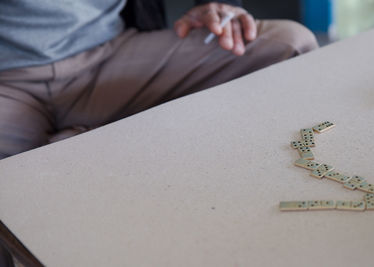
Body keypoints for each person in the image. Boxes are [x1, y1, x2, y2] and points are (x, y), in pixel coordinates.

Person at [0, 0, 318, 264]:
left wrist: (215, 5)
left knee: (289, 44)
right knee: (22, 203)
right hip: (8, 77)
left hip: (108, 51)